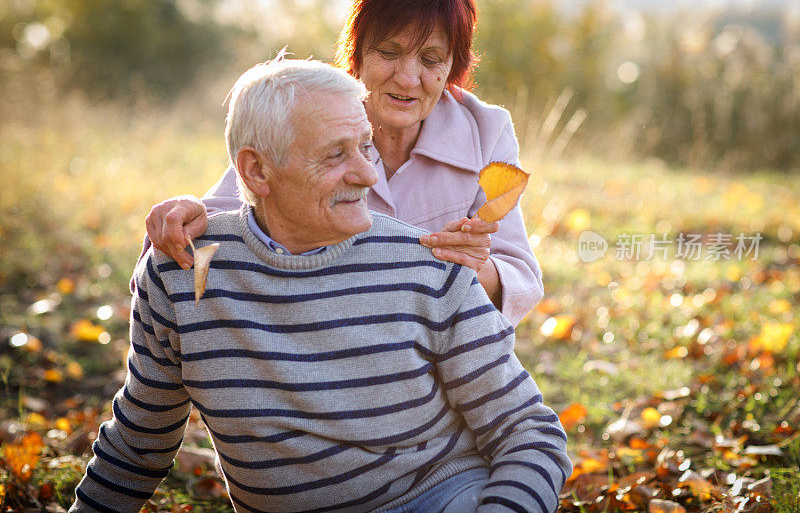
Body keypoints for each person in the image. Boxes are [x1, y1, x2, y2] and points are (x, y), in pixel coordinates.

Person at [71, 59, 570, 512]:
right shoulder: (181, 275)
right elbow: (139, 443)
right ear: (257, 171)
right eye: (336, 155)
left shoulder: (429, 266)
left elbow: (530, 434)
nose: (367, 175)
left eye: (365, 147)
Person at [144, 0, 542, 327]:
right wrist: (186, 215)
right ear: (357, 52)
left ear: (453, 64)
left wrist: (474, 268)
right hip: (321, 349)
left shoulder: (486, 131)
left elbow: (519, 277)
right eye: (388, 52)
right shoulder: (311, 114)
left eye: (431, 59)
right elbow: (216, 222)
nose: (407, 78)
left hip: (434, 361)